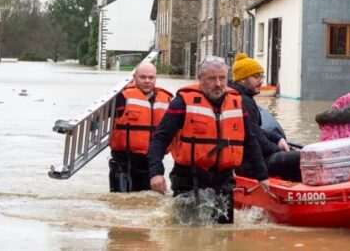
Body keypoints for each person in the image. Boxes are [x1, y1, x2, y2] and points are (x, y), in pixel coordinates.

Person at [147, 56, 269, 224]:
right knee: (185, 236)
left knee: (223, 236)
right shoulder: (182, 102)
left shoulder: (237, 103)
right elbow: (160, 139)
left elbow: (250, 140)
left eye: (222, 78)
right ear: (200, 79)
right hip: (189, 180)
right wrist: (156, 173)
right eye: (212, 79)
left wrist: (262, 175)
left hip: (223, 180)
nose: (218, 84)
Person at [230, 53, 302, 182]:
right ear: (242, 79)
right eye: (256, 77)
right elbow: (256, 140)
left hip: (246, 162)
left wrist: (277, 137)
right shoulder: (244, 101)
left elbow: (255, 130)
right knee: (303, 158)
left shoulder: (241, 97)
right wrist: (280, 151)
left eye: (262, 76)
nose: (261, 81)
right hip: (252, 165)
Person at [108, 61, 173, 193]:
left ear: (156, 78)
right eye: (143, 77)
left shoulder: (167, 100)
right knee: (121, 204)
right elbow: (99, 116)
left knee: (149, 205)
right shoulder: (121, 97)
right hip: (123, 162)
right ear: (134, 77)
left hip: (152, 163)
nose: (147, 81)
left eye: (151, 77)